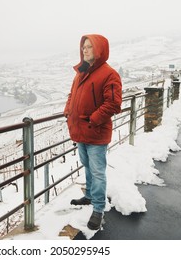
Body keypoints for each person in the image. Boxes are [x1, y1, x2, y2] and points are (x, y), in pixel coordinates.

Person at [64, 34, 122, 230]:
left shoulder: (109, 74)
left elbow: (113, 104)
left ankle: (98, 208)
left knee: (97, 172)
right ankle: (89, 196)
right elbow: (72, 95)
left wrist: (93, 120)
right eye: (83, 47)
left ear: (99, 50)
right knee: (87, 166)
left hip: (95, 132)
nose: (84, 50)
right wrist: (67, 111)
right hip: (80, 131)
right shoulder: (81, 73)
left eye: (89, 47)